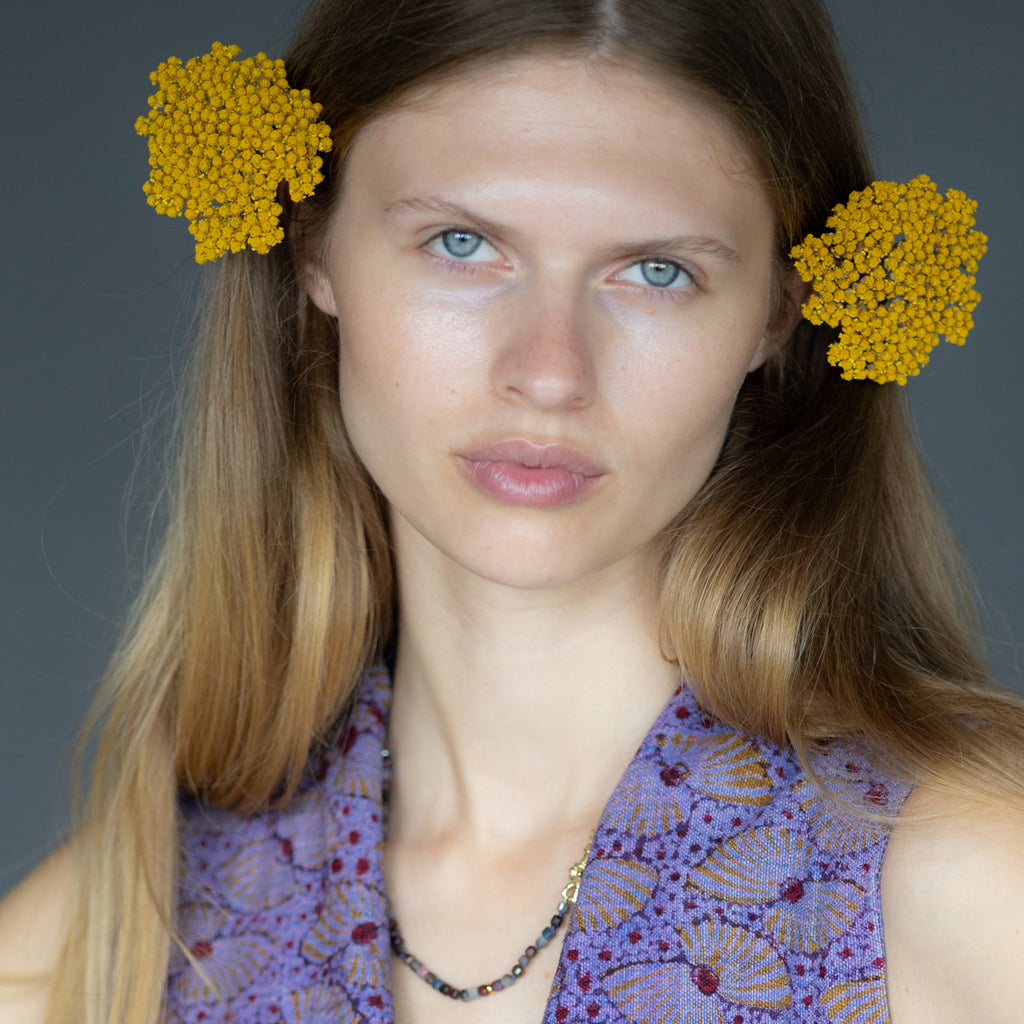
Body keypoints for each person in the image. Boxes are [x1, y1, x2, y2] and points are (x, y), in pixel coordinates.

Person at [1, 0, 1023, 1021]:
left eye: (656, 271)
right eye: (459, 243)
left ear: (776, 313)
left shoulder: (975, 883)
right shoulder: (110, 942)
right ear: (313, 250)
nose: (547, 373)